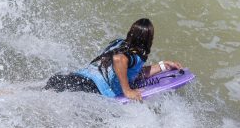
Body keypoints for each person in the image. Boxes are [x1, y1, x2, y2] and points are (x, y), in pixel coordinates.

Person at [44, 18, 182, 101]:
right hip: (85, 90)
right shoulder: (135, 55)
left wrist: (163, 66)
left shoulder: (119, 43)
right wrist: (127, 91)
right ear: (149, 39)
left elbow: (128, 71)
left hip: (69, 80)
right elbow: (119, 60)